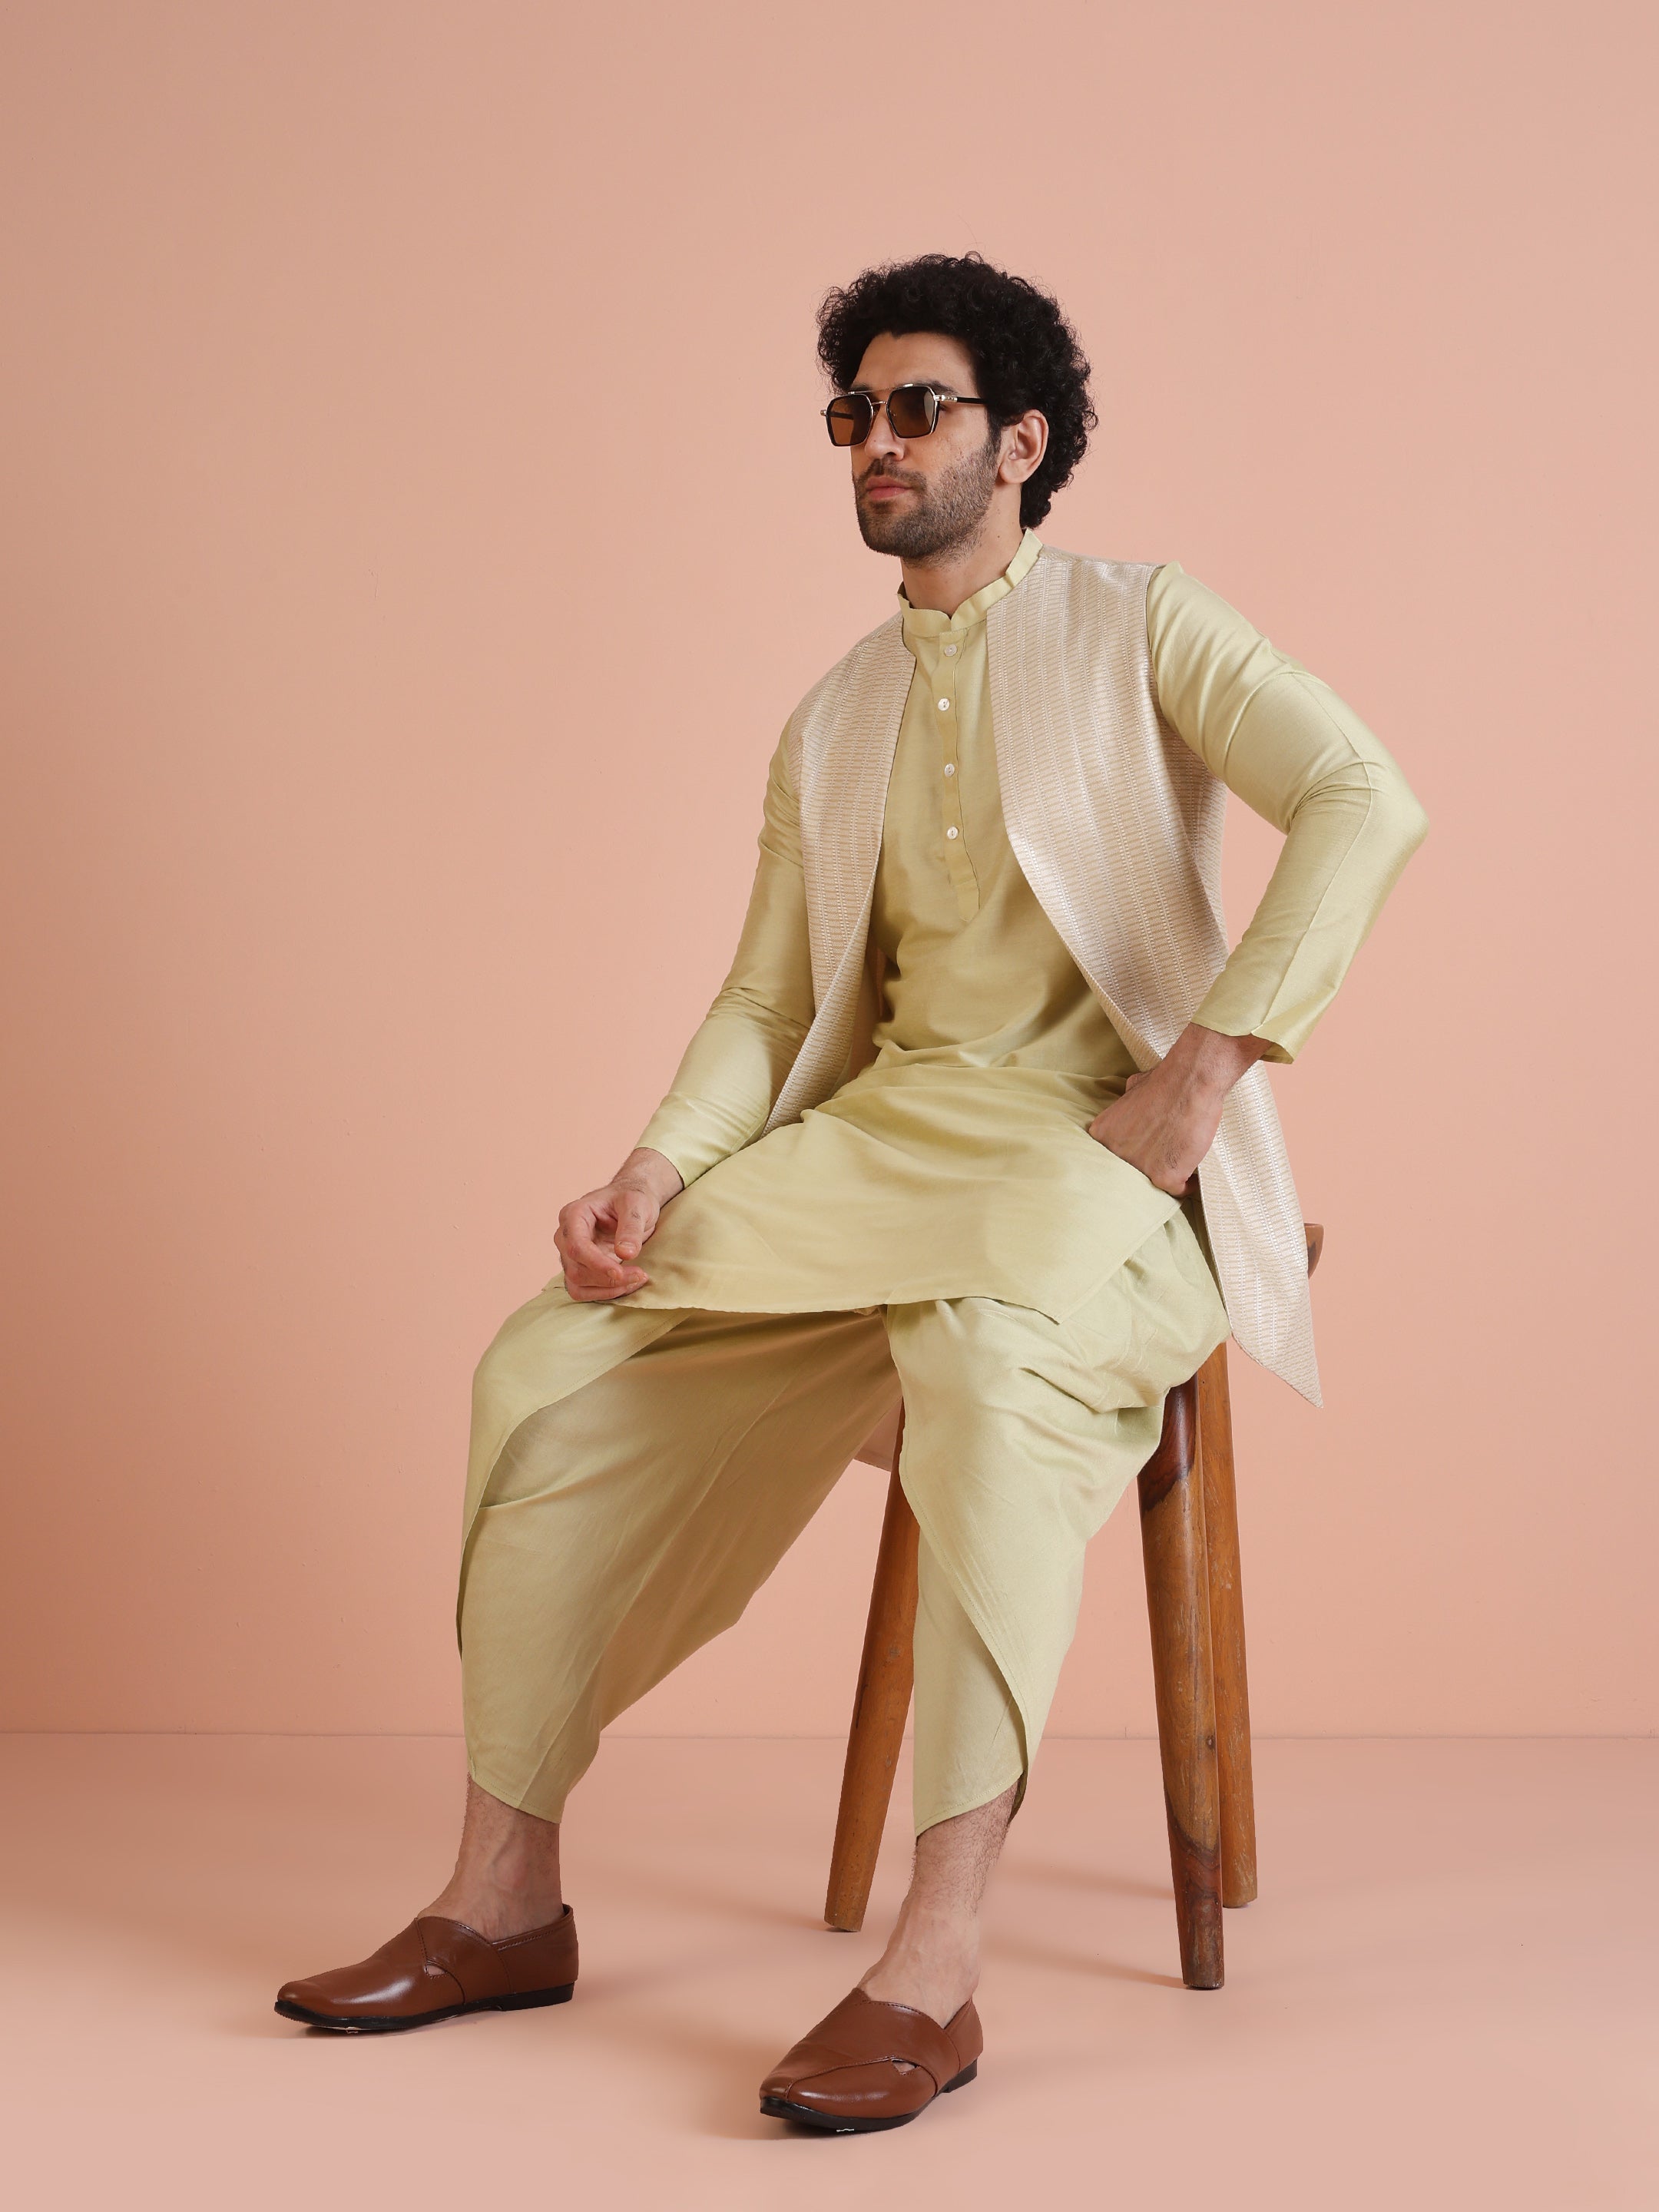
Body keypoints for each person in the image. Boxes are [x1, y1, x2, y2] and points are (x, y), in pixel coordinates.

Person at [274, 252, 1428, 2132]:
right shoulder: (834, 716)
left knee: (984, 1368)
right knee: (546, 1365)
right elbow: (767, 1000)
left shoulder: (1145, 622)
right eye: (855, 414)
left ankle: (934, 1963)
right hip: (882, 1144)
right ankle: (503, 1901)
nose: (876, 442)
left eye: (918, 409)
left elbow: (1366, 796)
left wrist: (1204, 1074)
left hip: (1097, 1156)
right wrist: (651, 1166)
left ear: (1022, 442)